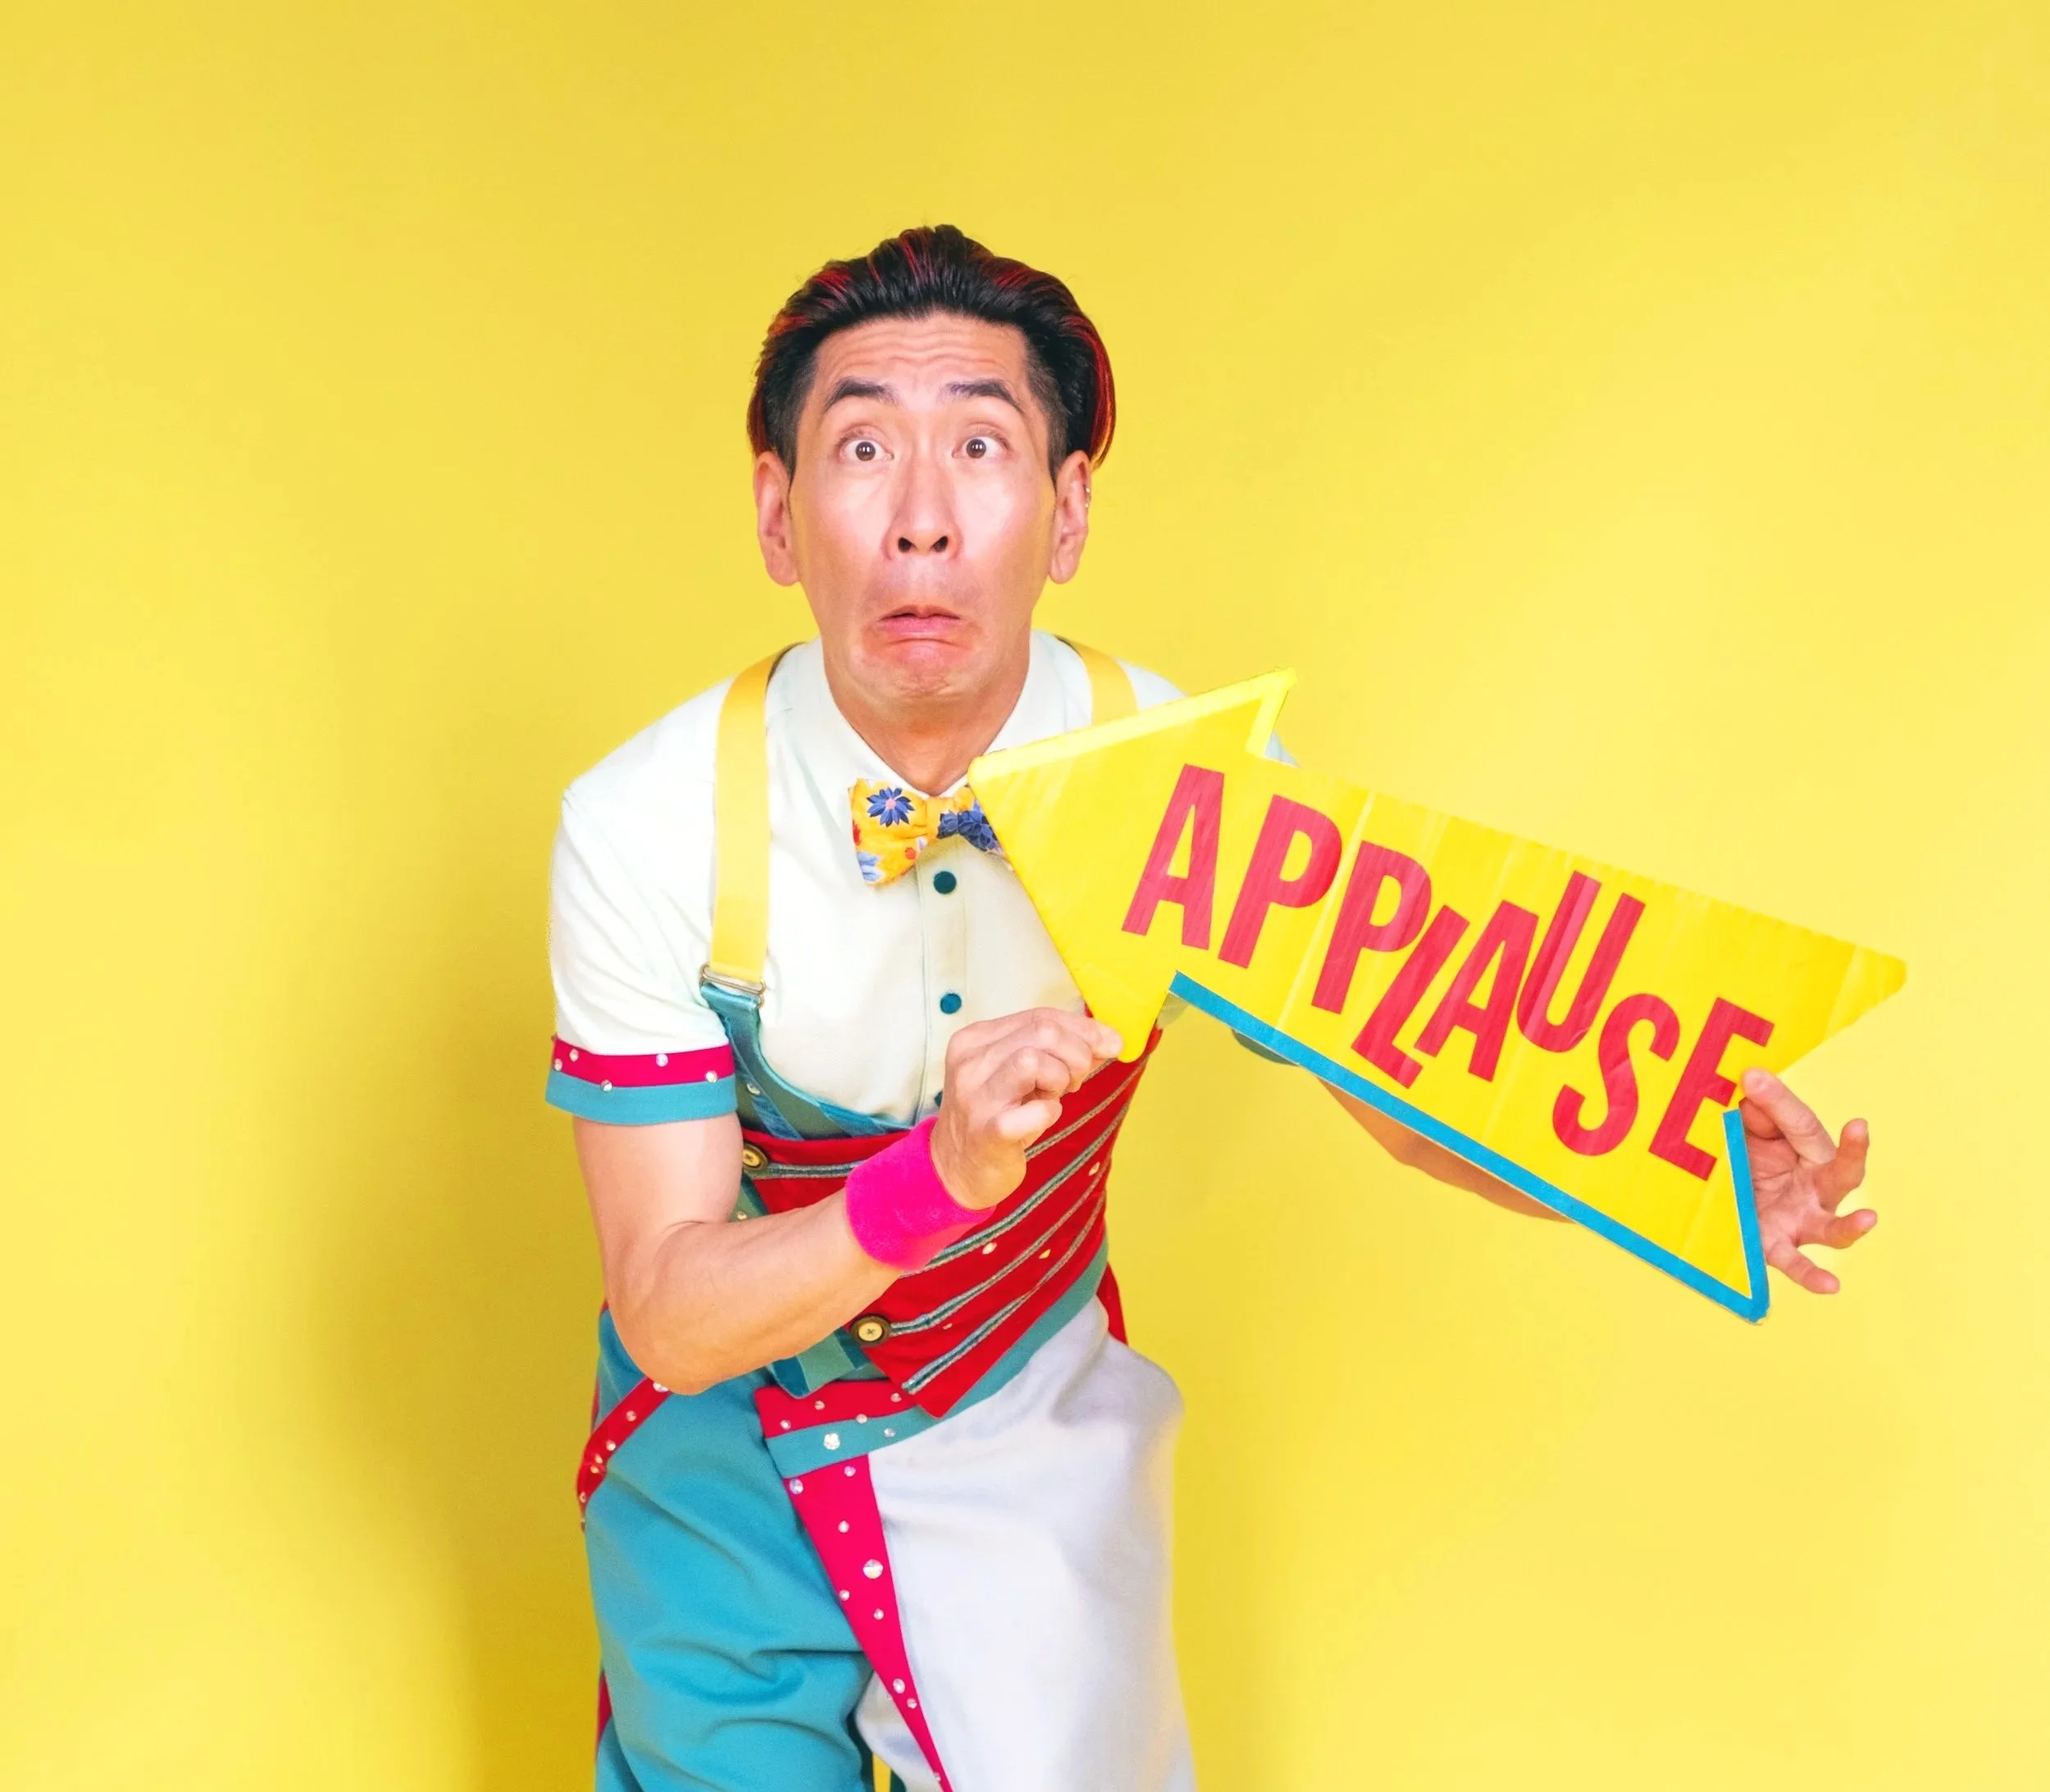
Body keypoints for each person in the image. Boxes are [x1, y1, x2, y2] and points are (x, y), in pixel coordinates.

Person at [546, 225, 1878, 1792]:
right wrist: (938, 1183)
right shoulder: (640, 822)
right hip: (720, 1478)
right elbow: (673, 1308)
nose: (921, 522)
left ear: (1069, 509)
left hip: (1019, 1407)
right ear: (780, 515)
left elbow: (1412, 1090)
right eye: (860, 450)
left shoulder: (1187, 777)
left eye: (981, 446)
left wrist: (1679, 1161)